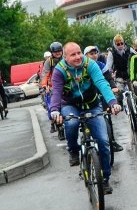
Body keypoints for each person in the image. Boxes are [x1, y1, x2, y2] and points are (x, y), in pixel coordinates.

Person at [49, 43, 122, 194]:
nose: (77, 57)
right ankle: (73, 151)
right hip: (70, 105)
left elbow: (101, 83)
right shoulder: (59, 71)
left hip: (92, 104)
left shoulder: (90, 64)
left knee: (103, 141)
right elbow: (56, 92)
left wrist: (112, 102)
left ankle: (105, 178)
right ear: (65, 57)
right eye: (73, 55)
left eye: (78, 53)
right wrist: (55, 110)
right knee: (72, 123)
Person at [85, 44, 123, 152]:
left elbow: (109, 78)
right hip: (89, 96)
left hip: (102, 93)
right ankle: (88, 140)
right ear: (85, 55)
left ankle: (112, 141)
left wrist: (114, 87)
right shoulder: (83, 67)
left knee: (107, 116)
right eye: (91, 54)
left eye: (95, 53)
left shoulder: (101, 65)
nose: (94, 55)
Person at [40, 42, 64, 134]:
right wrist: (44, 85)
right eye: (55, 51)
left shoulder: (66, 58)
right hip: (54, 86)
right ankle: (59, 127)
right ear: (52, 52)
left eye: (59, 51)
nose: (58, 53)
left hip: (67, 84)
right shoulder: (48, 61)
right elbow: (45, 74)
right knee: (54, 106)